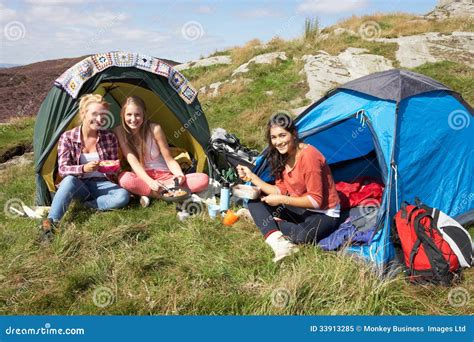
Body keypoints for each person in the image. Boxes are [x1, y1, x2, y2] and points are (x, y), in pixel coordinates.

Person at [237, 113, 340, 262]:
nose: (278, 142)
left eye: (282, 135)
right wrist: (252, 176)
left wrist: (281, 199)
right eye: (274, 137)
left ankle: (265, 223)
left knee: (301, 236)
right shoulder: (281, 155)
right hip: (300, 207)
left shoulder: (309, 157)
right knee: (254, 201)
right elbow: (280, 190)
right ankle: (279, 244)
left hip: (324, 213)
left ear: (294, 134)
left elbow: (316, 201)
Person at [40, 94, 130, 242]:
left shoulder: (109, 137)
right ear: (83, 113)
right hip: (78, 184)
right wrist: (83, 168)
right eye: (94, 114)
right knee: (68, 181)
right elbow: (62, 169)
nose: (99, 119)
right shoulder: (67, 137)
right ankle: (51, 223)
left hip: (102, 183)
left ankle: (85, 206)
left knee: (123, 196)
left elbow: (113, 166)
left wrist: (111, 167)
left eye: (103, 115)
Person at [116, 96, 208, 207]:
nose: (133, 119)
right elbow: (133, 163)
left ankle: (151, 194)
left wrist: (179, 175)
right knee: (124, 179)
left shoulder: (155, 129)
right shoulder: (120, 131)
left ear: (144, 115)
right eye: (129, 115)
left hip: (165, 176)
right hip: (143, 178)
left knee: (203, 179)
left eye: (137, 114)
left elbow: (169, 159)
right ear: (123, 115)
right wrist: (150, 182)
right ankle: (167, 194)